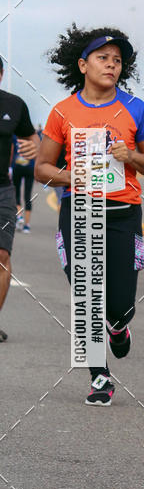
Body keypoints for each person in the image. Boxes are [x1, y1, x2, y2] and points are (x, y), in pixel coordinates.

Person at [35, 25, 144, 405]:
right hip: (79, 209)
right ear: (82, 64)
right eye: (103, 58)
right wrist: (72, 175)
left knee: (120, 304)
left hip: (123, 212)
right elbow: (42, 168)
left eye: (117, 60)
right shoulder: (63, 112)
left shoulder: (134, 108)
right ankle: (99, 377)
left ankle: (120, 327)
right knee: (86, 294)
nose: (111, 65)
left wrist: (131, 157)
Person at [0, 56, 40, 342]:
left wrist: (33, 148)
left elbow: (33, 141)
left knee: (2, 256)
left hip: (2, 190)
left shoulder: (14, 105)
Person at [12, 135, 35, 232]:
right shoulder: (34, 136)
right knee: (28, 196)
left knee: (16, 194)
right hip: (30, 168)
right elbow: (38, 152)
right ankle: (27, 225)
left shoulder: (14, 136)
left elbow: (11, 151)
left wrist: (9, 167)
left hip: (17, 167)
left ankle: (20, 217)